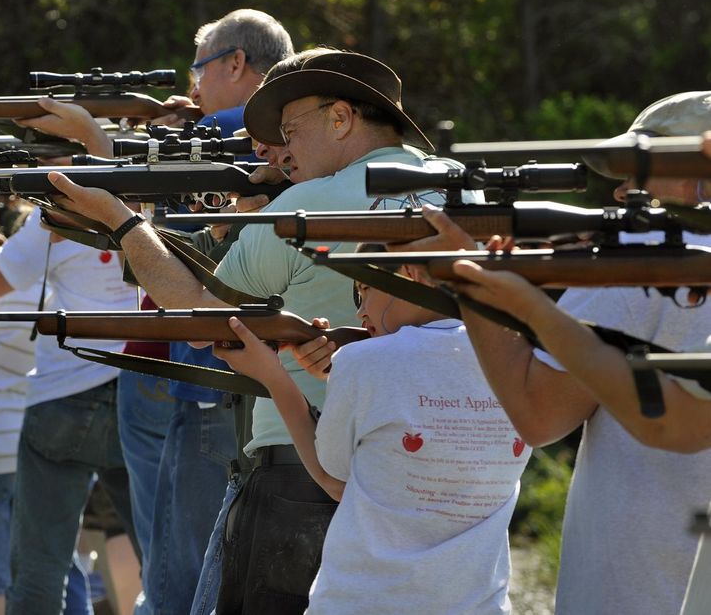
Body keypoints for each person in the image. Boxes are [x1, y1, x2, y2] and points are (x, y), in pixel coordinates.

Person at [45, 47, 444, 613]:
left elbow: (198, 311)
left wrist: (121, 220)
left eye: (290, 130)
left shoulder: (309, 204)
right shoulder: (464, 190)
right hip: (440, 458)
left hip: (302, 468)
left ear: (340, 119)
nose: (282, 152)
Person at [17, 9, 295, 615]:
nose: (193, 85)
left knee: (178, 570)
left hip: (205, 378)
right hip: (205, 373)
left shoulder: (233, 131)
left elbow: (180, 254)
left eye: (199, 70)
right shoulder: (233, 133)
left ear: (235, 65)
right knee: (178, 562)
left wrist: (99, 143)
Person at [403, 92, 711, 614]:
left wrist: (471, 285)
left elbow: (539, 413)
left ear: (693, 177)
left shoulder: (645, 254)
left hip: (638, 587)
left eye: (637, 172)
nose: (620, 189)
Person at [211, 247, 530, 613]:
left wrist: (273, 375)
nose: (360, 311)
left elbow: (332, 479)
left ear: (410, 274)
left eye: (365, 289)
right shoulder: (518, 357)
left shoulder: (363, 361)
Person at [0, 187, 139, 614]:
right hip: (140, 389)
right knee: (162, 552)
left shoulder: (53, 215)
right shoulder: (146, 198)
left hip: (62, 394)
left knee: (40, 565)